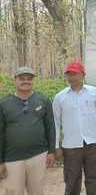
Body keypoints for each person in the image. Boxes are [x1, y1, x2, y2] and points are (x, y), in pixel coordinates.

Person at [53, 61, 96, 195]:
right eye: (69, 74)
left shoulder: (94, 92)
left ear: (83, 75)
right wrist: (56, 146)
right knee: (72, 181)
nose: (72, 77)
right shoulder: (60, 97)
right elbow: (56, 123)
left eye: (75, 74)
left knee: (94, 179)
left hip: (92, 144)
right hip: (71, 146)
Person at [0, 66, 55, 195]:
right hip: (12, 158)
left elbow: (50, 126)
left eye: (29, 78)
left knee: (37, 192)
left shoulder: (43, 100)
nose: (26, 81)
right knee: (13, 192)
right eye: (22, 78)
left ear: (33, 80)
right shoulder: (4, 103)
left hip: (38, 155)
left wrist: (51, 151)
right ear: (15, 80)